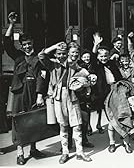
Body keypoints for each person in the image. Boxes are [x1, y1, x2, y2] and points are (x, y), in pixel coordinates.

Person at [38, 42, 93, 164]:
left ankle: (80, 152)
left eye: (64, 53)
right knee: (63, 125)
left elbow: (84, 72)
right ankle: (65, 152)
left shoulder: (74, 65)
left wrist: (91, 76)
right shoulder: (52, 64)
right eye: (59, 54)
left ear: (67, 53)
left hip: (72, 97)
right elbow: (41, 55)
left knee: (77, 124)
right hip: (58, 97)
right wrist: (55, 46)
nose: (61, 56)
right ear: (56, 54)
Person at [3, 12, 46, 165]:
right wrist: (12, 24)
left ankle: (33, 149)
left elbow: (42, 76)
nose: (27, 46)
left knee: (34, 120)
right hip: (20, 93)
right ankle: (20, 152)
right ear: (21, 45)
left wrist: (40, 94)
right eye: (24, 44)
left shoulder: (39, 57)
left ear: (32, 42)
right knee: (19, 121)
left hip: (33, 92)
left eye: (29, 43)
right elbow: (7, 43)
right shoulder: (18, 56)